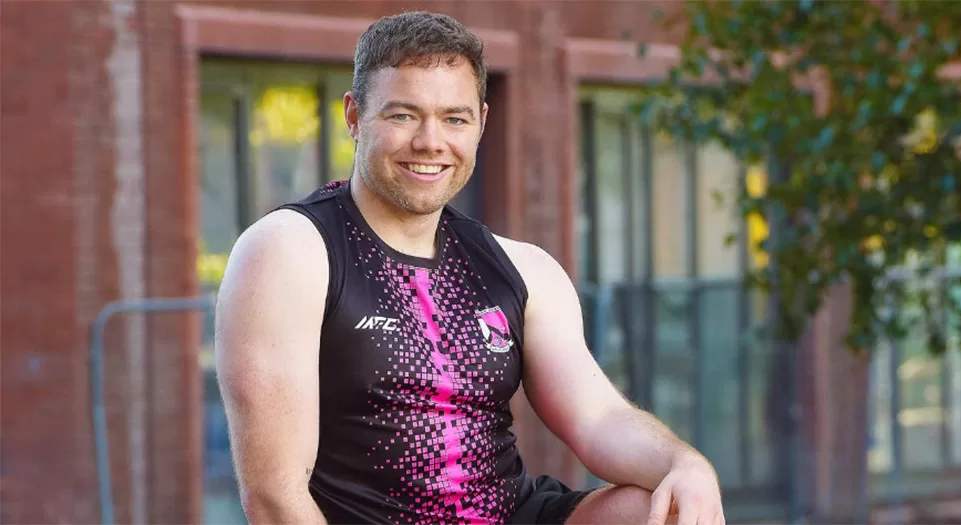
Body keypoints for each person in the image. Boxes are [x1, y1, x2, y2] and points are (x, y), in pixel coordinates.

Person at [214, 10, 725, 525]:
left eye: (454, 118)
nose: (430, 142)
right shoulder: (290, 250)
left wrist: (687, 465)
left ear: (481, 121)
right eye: (403, 115)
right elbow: (275, 496)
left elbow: (599, 418)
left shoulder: (521, 268)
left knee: (662, 510)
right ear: (354, 116)